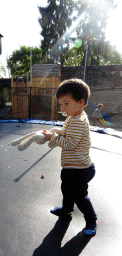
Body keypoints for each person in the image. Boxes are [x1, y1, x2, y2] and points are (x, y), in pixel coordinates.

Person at [42, 78, 97, 236]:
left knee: (80, 196)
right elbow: (67, 134)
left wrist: (51, 138)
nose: (62, 107)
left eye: (66, 103)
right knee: (66, 190)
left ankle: (92, 220)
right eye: (60, 104)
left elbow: (69, 144)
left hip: (81, 169)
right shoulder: (74, 117)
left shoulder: (77, 121)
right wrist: (56, 132)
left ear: (81, 102)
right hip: (71, 167)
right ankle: (67, 212)